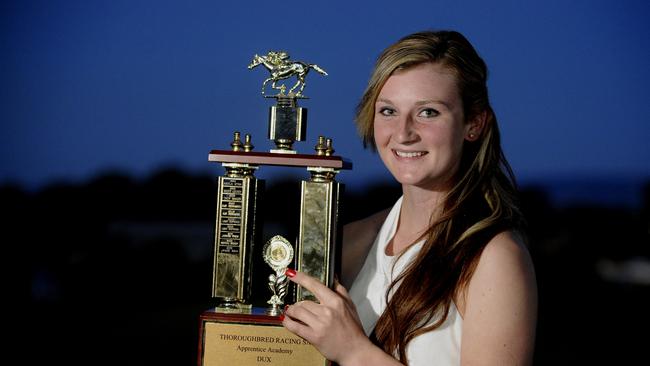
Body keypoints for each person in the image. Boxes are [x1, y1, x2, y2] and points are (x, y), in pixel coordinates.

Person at [282, 30, 537, 366]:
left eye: (428, 112)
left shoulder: (493, 257)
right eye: (388, 111)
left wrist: (355, 352)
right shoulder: (352, 241)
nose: (403, 133)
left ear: (474, 123)